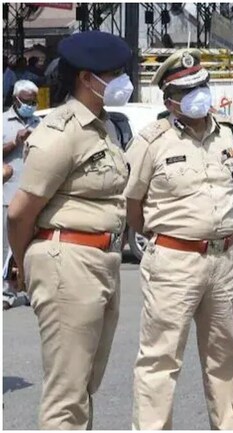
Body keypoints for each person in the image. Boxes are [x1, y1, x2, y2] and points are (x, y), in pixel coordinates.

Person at [6, 30, 132, 429]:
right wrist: (24, 265)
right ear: (86, 79)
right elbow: (21, 211)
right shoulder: (60, 131)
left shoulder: (104, 127)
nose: (121, 82)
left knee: (84, 384)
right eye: (112, 74)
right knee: (67, 393)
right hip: (67, 262)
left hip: (101, 260)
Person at [125, 49, 233, 430]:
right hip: (174, 261)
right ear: (170, 100)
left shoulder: (227, 132)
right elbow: (132, 203)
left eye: (202, 84)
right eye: (188, 89)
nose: (199, 94)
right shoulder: (151, 141)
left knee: (223, 354)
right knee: (160, 358)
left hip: (224, 259)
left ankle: (228, 424)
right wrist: (164, 237)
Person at [3, 79, 41, 310]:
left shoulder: (40, 123)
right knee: (7, 247)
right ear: (16, 100)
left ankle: (28, 290)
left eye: (34, 101)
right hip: (8, 194)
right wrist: (13, 143)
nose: (31, 105)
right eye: (27, 101)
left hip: (34, 196)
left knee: (31, 247)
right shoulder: (2, 121)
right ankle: (6, 293)